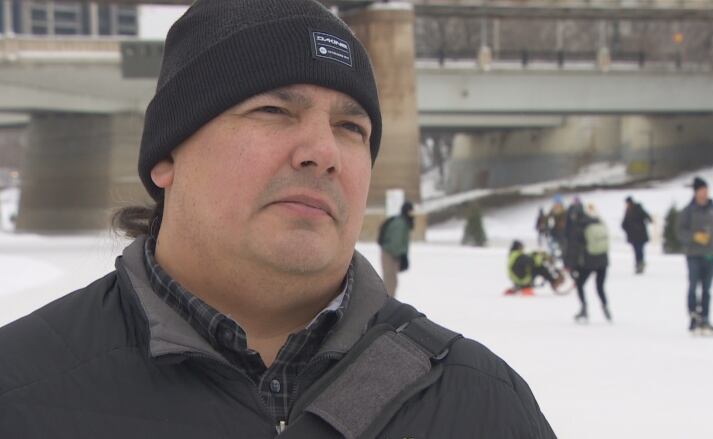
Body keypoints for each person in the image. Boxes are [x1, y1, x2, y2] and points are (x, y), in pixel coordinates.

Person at [0, 1, 556, 438]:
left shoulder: (482, 402)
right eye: (273, 111)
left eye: (351, 128)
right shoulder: (20, 390)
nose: (323, 151)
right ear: (167, 155)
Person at [676, 176, 713, 335]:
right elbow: (679, 231)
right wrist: (693, 237)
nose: (705, 193)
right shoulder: (689, 210)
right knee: (693, 286)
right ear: (696, 192)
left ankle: (705, 317)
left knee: (707, 289)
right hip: (694, 254)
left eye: (706, 190)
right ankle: (693, 316)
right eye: (702, 190)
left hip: (709, 254)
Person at [571, 204, 612, 323]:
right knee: (600, 286)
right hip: (603, 259)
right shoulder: (597, 221)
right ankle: (605, 306)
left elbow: (576, 248)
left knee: (580, 284)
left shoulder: (580, 226)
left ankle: (584, 308)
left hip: (589, 261)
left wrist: (573, 265)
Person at [377, 201, 414, 297]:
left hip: (392, 254)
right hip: (389, 254)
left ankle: (388, 304)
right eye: (411, 211)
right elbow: (396, 242)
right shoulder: (400, 223)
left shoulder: (402, 222)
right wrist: (402, 256)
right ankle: (386, 306)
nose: (412, 214)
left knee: (392, 281)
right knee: (390, 282)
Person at [622, 196, 653, 274]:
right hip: (633, 235)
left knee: (639, 250)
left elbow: (648, 217)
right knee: (636, 250)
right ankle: (639, 264)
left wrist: (638, 226)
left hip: (640, 235)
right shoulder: (628, 211)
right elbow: (624, 223)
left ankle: (640, 264)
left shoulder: (638, 209)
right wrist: (627, 229)